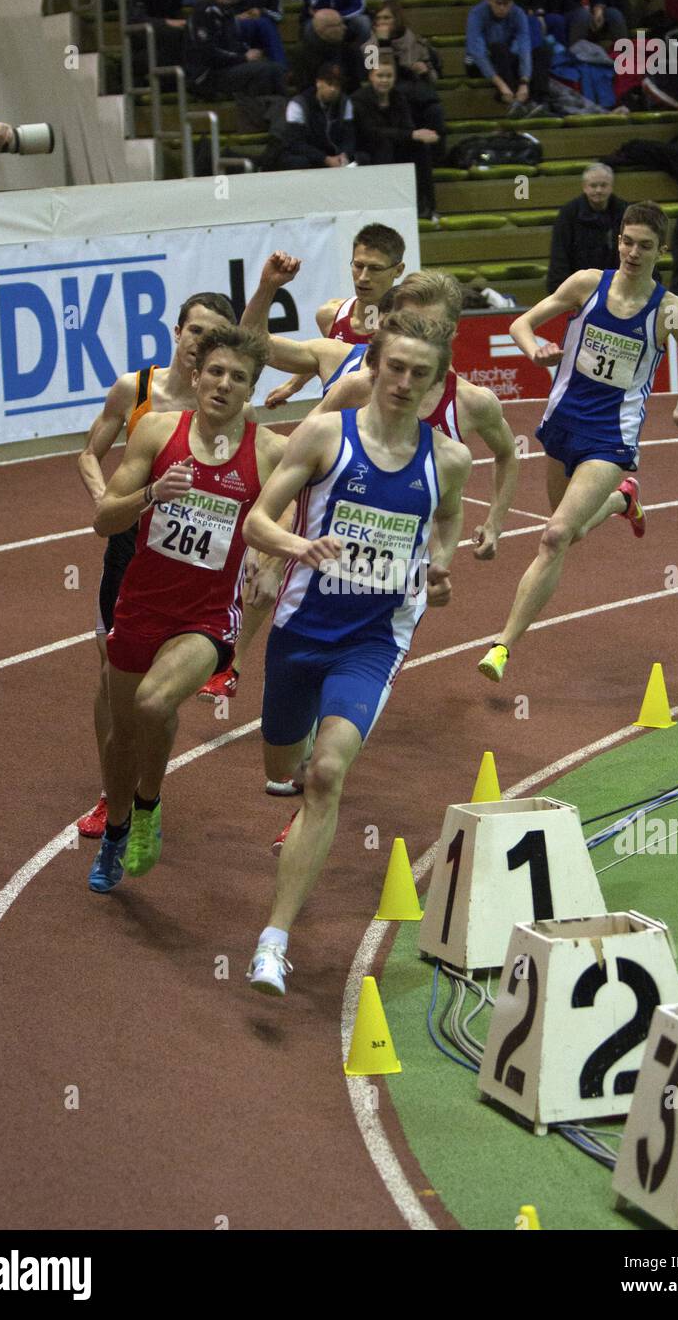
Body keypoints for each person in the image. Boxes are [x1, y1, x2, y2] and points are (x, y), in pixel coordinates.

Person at [241, 305, 472, 996]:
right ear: (373, 365)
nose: (403, 382)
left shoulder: (448, 460)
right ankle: (300, 767)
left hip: (373, 641)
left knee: (326, 774)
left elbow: (450, 517)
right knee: (283, 767)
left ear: (436, 384)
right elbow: (255, 520)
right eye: (394, 366)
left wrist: (441, 563)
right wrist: (295, 546)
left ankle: (272, 942)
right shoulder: (321, 436)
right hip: (301, 633)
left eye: (419, 373)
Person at [86, 325, 285, 893]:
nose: (224, 384)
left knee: (153, 702)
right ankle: (117, 832)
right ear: (197, 375)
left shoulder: (267, 450)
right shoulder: (155, 430)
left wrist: (267, 562)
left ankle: (149, 805)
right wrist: (152, 494)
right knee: (122, 735)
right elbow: (105, 519)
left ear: (251, 389)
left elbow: (288, 513)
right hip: (141, 604)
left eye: (238, 377)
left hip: (205, 618)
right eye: (216, 372)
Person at [477, 201, 678, 684]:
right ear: (617, 239)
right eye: (627, 241)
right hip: (562, 423)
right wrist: (534, 350)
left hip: (611, 436)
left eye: (645, 245)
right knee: (571, 532)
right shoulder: (586, 284)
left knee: (555, 535)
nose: (633, 252)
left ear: (661, 250)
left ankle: (502, 645)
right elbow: (521, 323)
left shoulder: (670, 311)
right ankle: (624, 502)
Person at [312, 270, 519, 561]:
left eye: (429, 327)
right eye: (409, 325)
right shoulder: (356, 387)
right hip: (324, 555)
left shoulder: (472, 403)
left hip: (408, 568)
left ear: (452, 331)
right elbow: (295, 460)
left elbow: (508, 455)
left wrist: (494, 525)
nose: (419, 336)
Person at [264, 222, 406, 408]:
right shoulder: (330, 316)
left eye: (375, 268)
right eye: (358, 265)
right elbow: (331, 354)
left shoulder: (409, 325)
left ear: (398, 270)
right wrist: (294, 384)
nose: (363, 277)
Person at [351, 54, 439, 219]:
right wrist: (411, 134)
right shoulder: (359, 100)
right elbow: (371, 132)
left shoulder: (398, 97)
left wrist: (418, 135)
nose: (384, 80)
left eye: (389, 76)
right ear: (371, 77)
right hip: (368, 148)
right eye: (380, 76)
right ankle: (388, 206)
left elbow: (407, 127)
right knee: (385, 144)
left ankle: (426, 207)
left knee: (420, 147)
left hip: (395, 144)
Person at [183, 0, 286, 104]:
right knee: (265, 70)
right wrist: (243, 57)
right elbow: (208, 53)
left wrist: (248, 53)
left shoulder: (227, 13)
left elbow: (233, 43)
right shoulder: (204, 12)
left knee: (274, 69)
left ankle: (278, 113)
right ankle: (261, 115)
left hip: (226, 67)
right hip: (206, 75)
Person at [363, 0, 447, 152]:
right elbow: (376, 72)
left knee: (434, 110)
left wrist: (425, 71)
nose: (382, 22)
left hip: (416, 93)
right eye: (379, 19)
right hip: (387, 97)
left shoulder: (414, 41)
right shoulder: (370, 46)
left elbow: (434, 77)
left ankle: (438, 156)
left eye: (387, 18)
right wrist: (383, 43)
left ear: (397, 18)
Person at [465, 0, 552, 117]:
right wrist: (502, 86)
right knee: (498, 48)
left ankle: (539, 102)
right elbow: (478, 53)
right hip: (480, 63)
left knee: (541, 51)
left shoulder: (518, 14)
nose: (502, 8)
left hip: (505, 59)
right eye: (498, 4)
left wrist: (524, 82)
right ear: (489, 1)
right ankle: (513, 102)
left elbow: (524, 47)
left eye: (506, 4)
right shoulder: (477, 14)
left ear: (512, 3)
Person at [547, 164, 628, 293]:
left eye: (603, 185)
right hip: (578, 289)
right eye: (593, 186)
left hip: (618, 287)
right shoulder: (568, 214)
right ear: (584, 187)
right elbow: (559, 257)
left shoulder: (625, 211)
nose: (598, 190)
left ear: (611, 187)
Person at [274, 61, 359, 171]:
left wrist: (344, 155)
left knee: (361, 158)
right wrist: (325, 159)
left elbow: (349, 136)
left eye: (337, 86)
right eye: (329, 83)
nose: (333, 89)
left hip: (334, 154)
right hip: (308, 154)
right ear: (318, 82)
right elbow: (295, 142)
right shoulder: (298, 104)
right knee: (298, 162)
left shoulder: (345, 102)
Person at [289, 7, 367, 93]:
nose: (344, 28)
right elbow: (304, 87)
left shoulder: (349, 49)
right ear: (323, 29)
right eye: (339, 25)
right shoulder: (301, 53)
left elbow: (355, 84)